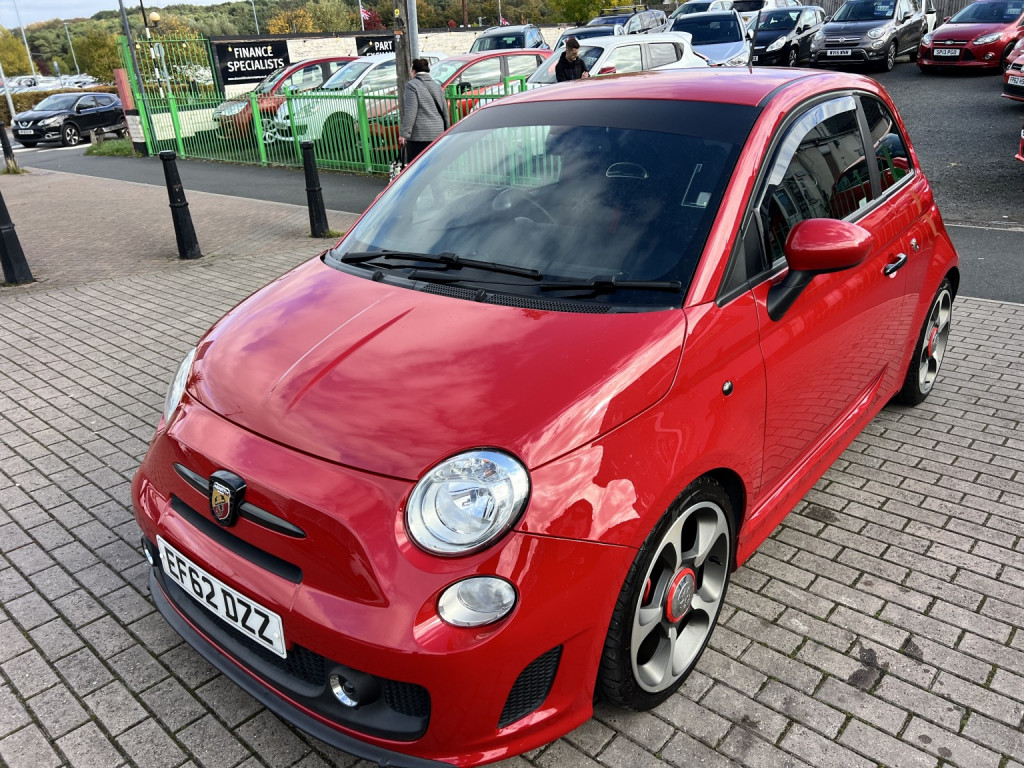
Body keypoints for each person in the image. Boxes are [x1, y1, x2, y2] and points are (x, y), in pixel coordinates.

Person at [398, 58, 451, 163]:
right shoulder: (437, 86)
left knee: (418, 168)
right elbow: (445, 111)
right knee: (434, 166)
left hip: (419, 136)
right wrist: (446, 130)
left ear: (413, 70)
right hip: (437, 134)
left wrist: (404, 134)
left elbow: (410, 112)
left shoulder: (411, 86)